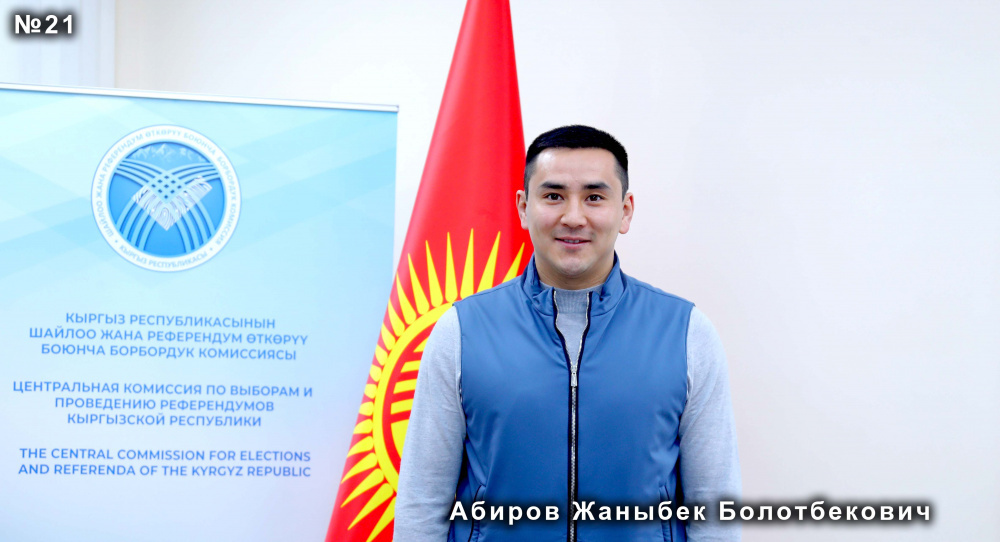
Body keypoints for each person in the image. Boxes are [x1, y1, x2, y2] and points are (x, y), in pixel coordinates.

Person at [394, 125, 741, 541]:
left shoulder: (686, 334)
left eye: (594, 197)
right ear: (523, 208)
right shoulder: (462, 332)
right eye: (554, 196)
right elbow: (422, 503)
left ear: (625, 210)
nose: (573, 217)